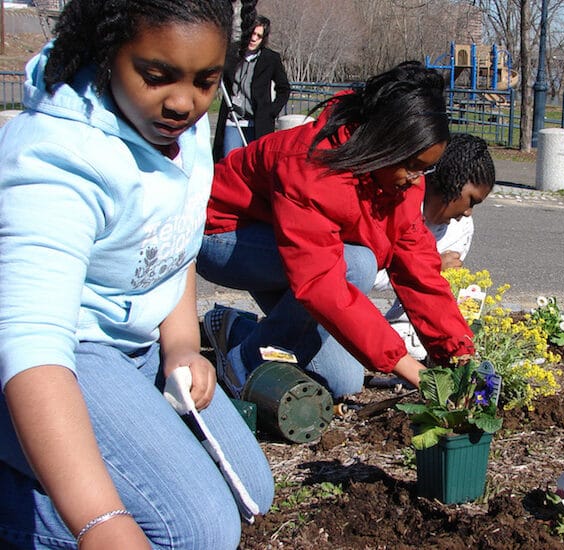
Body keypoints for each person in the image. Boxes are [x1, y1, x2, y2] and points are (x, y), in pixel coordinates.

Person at [0, 1, 273, 548]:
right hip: (62, 357)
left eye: (206, 81)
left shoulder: (179, 128)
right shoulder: (57, 158)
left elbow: (173, 248)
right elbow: (33, 347)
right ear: (107, 54)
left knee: (249, 492)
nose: (182, 102)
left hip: (137, 345)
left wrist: (181, 345)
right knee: (194, 534)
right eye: (156, 76)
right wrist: (100, 520)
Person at [198, 61, 475, 400]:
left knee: (343, 382)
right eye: (412, 166)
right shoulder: (312, 163)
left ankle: (231, 327)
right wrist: (412, 369)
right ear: (385, 144)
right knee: (356, 264)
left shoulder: (401, 179)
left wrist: (457, 351)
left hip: (295, 253)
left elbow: (418, 269)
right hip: (224, 236)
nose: (418, 179)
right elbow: (319, 282)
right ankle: (242, 362)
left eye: (425, 168)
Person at [373, 133, 496, 360]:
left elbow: (431, 296)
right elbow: (363, 274)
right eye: (470, 200)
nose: (468, 212)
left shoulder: (462, 229)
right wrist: (432, 266)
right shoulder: (397, 203)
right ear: (452, 181)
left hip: (409, 321)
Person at [212, 14, 290, 161]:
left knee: (253, 163)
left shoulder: (271, 59)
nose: (254, 39)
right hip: (232, 120)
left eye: (259, 36)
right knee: (229, 162)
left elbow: (284, 89)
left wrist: (271, 112)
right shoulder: (231, 53)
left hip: (257, 123)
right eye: (252, 33)